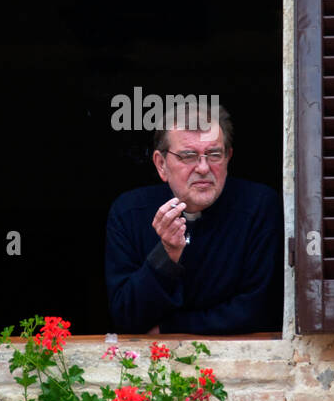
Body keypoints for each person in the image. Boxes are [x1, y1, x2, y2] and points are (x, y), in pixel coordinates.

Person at [104, 102, 282, 335]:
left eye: (214, 154)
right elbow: (126, 317)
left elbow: (261, 310)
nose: (203, 167)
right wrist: (166, 255)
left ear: (228, 157)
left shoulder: (259, 206)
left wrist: (171, 328)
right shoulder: (129, 212)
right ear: (161, 164)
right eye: (188, 156)